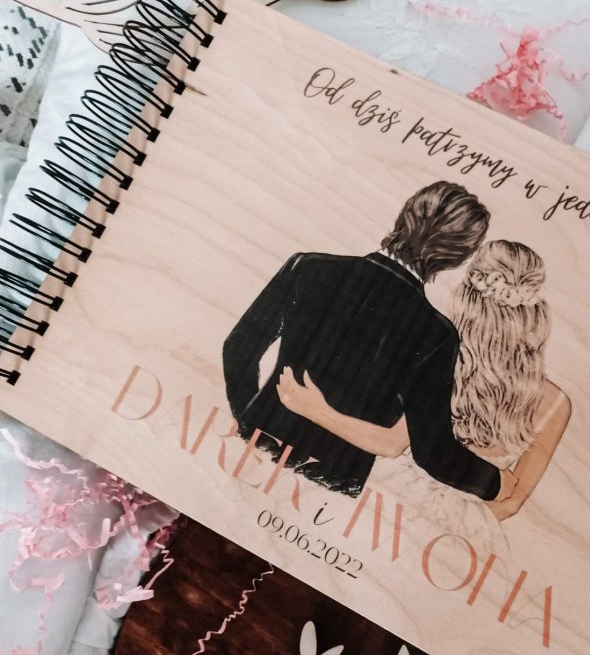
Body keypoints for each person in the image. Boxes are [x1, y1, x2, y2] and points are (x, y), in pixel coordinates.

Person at [222, 182, 514, 501]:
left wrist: (249, 425)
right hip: (328, 483)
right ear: (458, 258)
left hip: (251, 451)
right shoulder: (437, 335)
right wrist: (496, 484)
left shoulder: (308, 267)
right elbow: (432, 452)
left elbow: (239, 348)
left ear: (405, 214)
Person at [277, 239, 571, 529]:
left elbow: (391, 443)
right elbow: (512, 500)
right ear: (536, 312)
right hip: (465, 529)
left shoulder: (442, 357)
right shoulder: (555, 403)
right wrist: (459, 526)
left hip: (390, 506)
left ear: (467, 299)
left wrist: (316, 409)